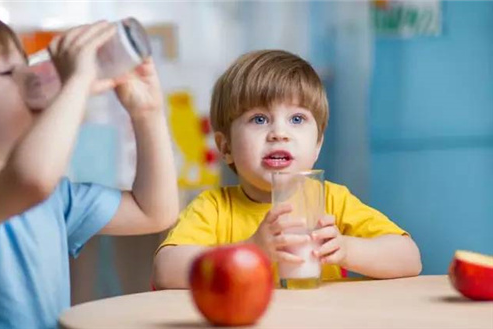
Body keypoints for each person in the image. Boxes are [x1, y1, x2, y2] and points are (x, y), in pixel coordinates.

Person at [152, 49, 422, 289]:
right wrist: (251, 249)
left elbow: (409, 258)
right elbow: (165, 270)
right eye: (259, 119)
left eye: (297, 118)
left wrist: (347, 249)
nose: (279, 133)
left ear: (317, 145)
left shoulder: (331, 200)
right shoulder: (214, 208)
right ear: (226, 147)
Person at [0, 17, 178, 329]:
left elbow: (154, 211)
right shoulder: (27, 186)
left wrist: (147, 113)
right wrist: (78, 80)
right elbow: (30, 179)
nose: (29, 75)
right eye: (8, 71)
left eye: (26, 62)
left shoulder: (56, 197)